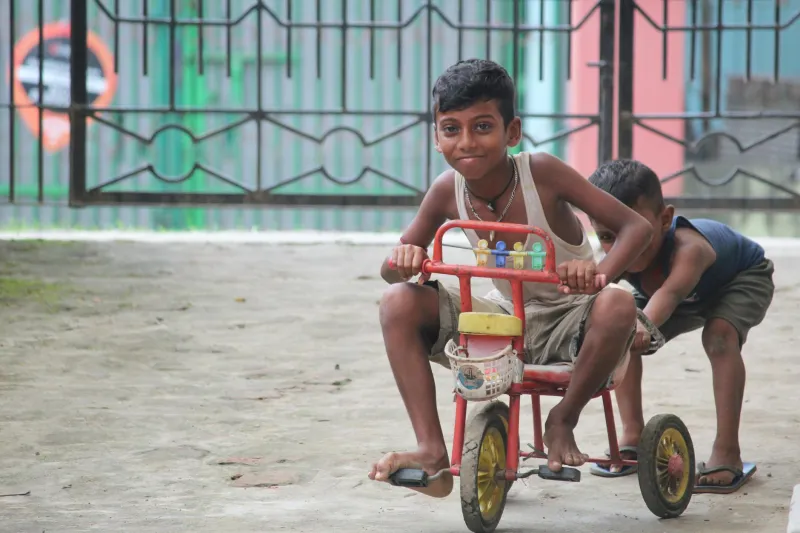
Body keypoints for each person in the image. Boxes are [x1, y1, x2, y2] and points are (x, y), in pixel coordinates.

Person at [367, 58, 654, 498]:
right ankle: (431, 451)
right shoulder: (447, 190)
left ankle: (563, 420)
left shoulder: (540, 173)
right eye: (451, 129)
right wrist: (405, 256)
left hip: (576, 318)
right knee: (397, 302)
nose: (467, 142)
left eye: (483, 127)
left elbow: (637, 227)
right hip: (507, 318)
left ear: (512, 133)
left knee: (617, 301)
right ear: (436, 137)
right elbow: (392, 271)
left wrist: (597, 274)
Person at [587, 159, 774, 494]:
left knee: (719, 336)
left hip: (740, 278)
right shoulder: (620, 251)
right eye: (606, 236)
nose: (620, 246)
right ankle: (631, 436)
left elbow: (670, 294)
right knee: (621, 335)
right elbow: (593, 294)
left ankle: (727, 451)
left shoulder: (690, 247)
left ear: (664, 219)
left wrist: (642, 325)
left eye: (634, 230)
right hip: (679, 296)